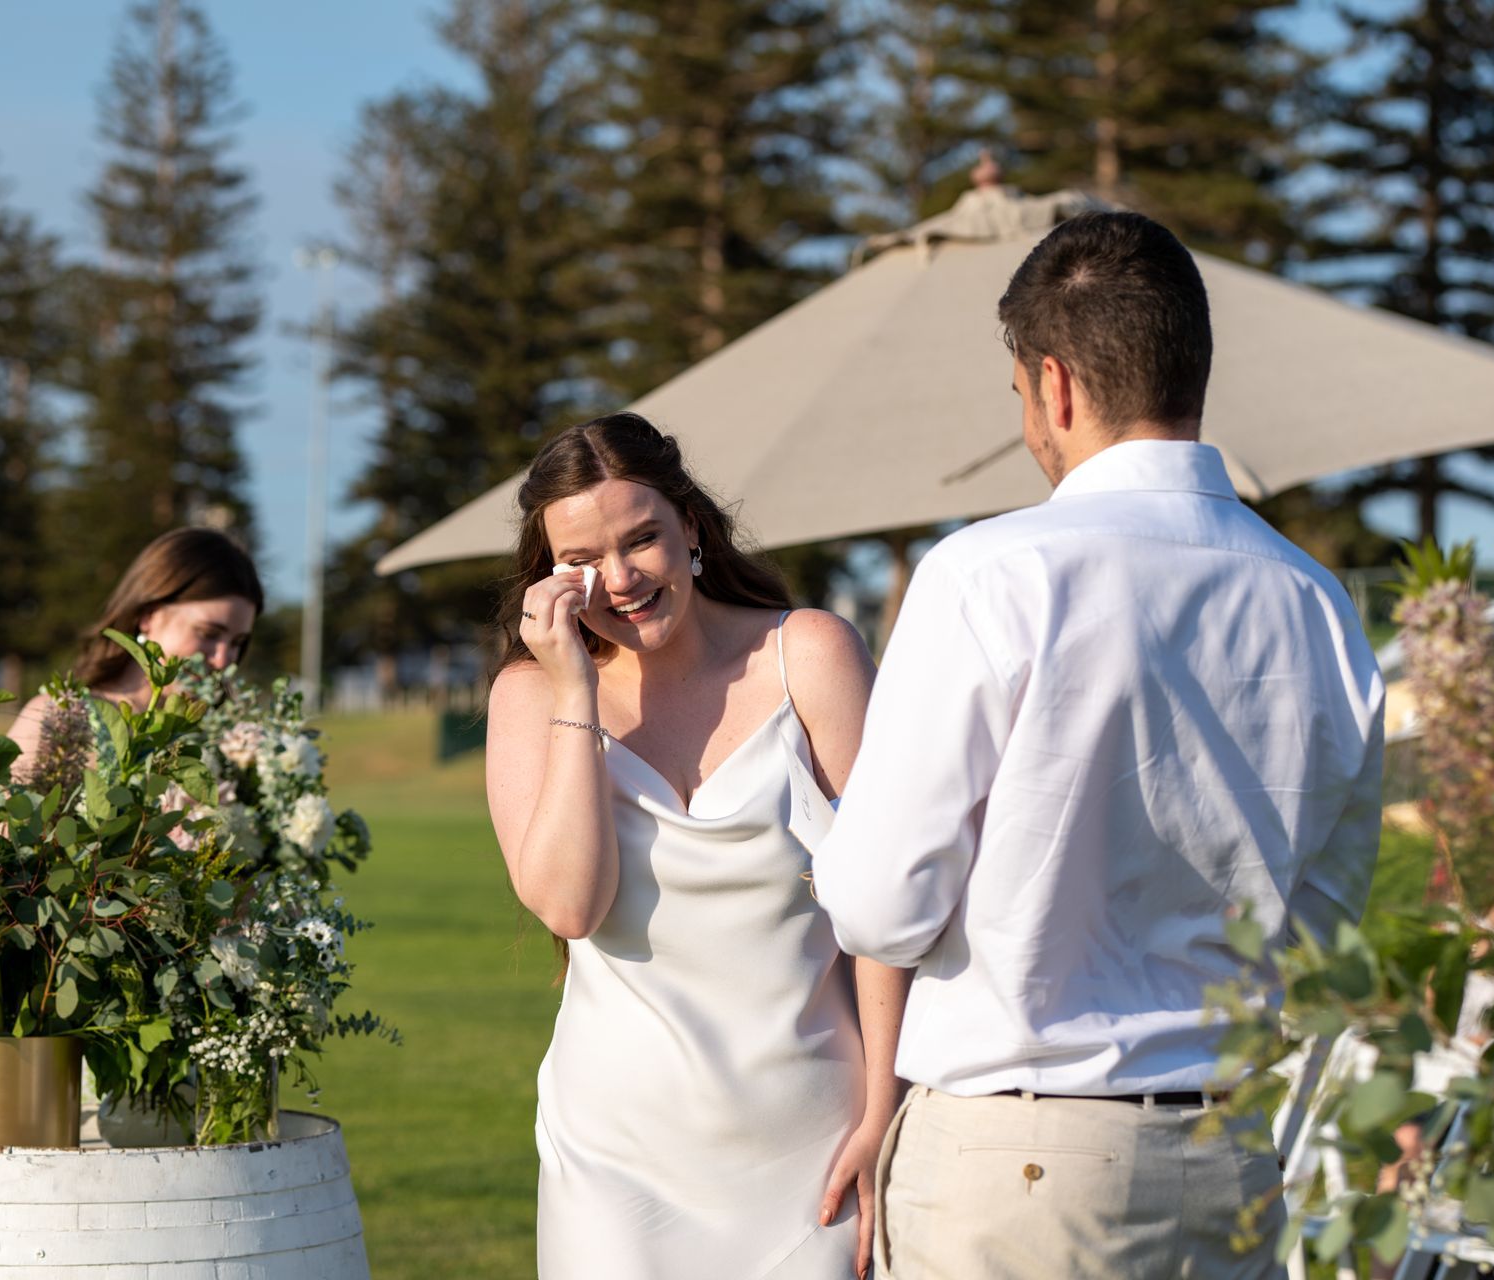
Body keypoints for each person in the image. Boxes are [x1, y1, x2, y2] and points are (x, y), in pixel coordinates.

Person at [811, 212, 1386, 1280]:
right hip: (1231, 1155)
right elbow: (1324, 921)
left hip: (1019, 1154)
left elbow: (880, 903)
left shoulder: (990, 575)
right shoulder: (1317, 603)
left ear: (1055, 386)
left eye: (1021, 395)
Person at [485, 412, 907, 1279]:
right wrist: (574, 688)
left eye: (642, 539)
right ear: (549, 576)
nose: (621, 578)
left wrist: (884, 1113)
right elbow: (570, 906)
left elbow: (892, 903)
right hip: (614, 1166)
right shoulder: (532, 699)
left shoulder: (811, 656)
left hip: (814, 1153)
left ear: (692, 527)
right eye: (583, 560)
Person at [9, 526, 263, 767]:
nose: (223, 660)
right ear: (148, 615)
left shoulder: (231, 745)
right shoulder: (61, 720)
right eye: (208, 633)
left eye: (237, 643)